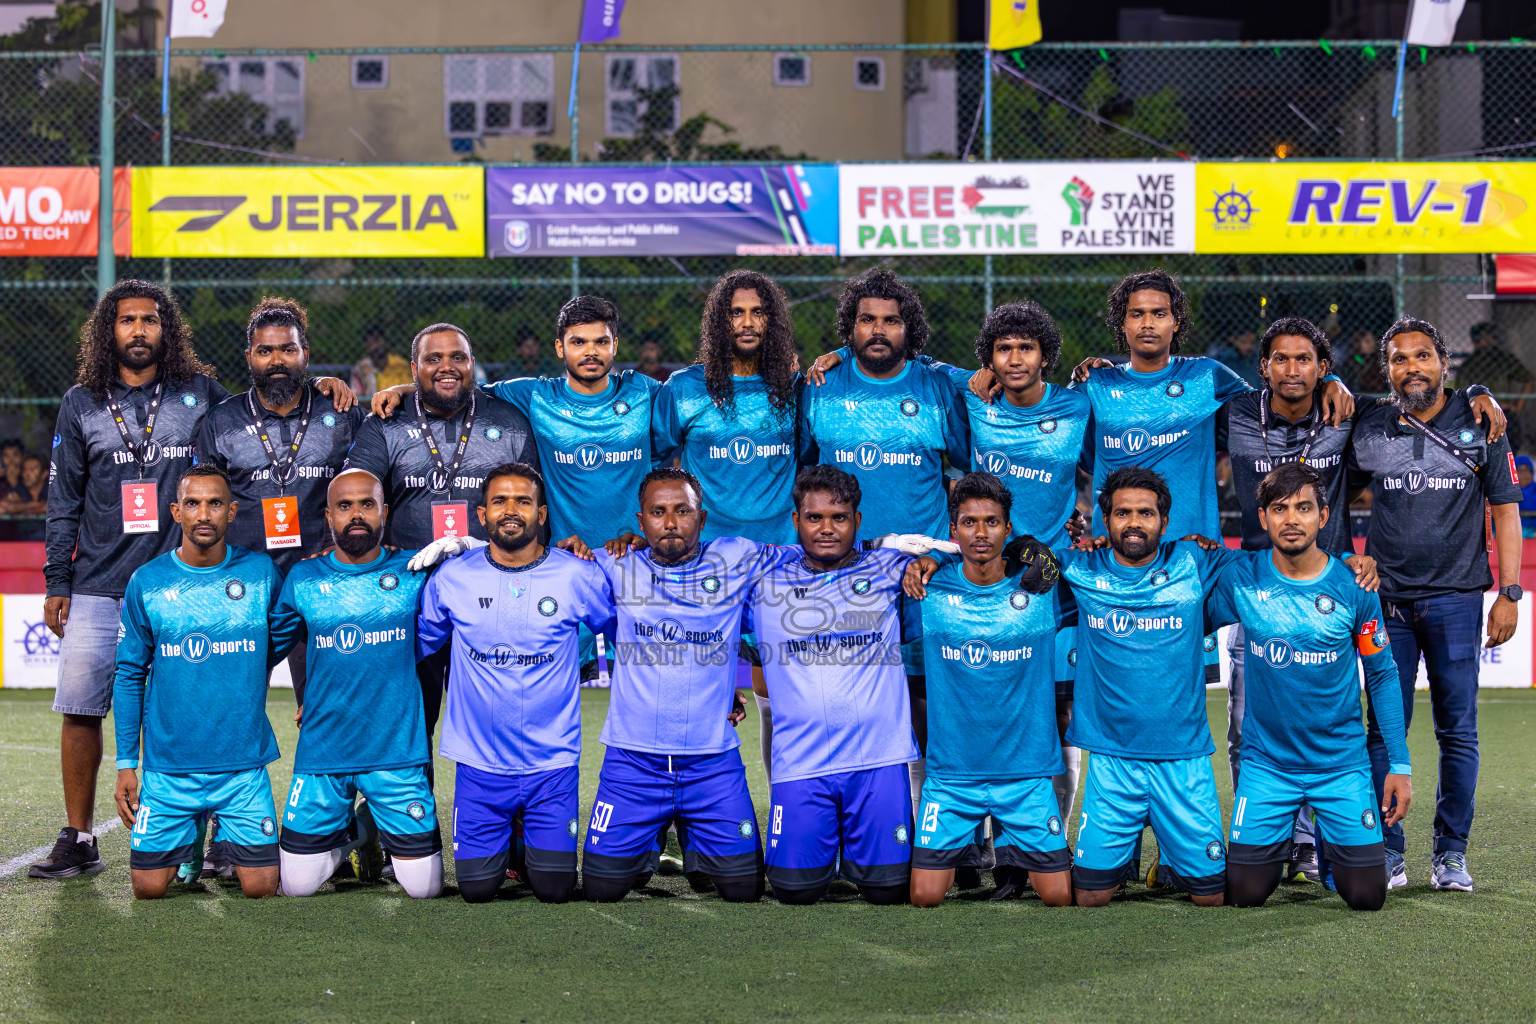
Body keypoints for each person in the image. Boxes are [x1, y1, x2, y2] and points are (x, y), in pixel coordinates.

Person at [33, 280, 228, 880]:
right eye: (127, 321)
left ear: (166, 329)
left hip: (181, 586)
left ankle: (217, 835)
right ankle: (80, 836)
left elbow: (256, 430)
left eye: (149, 320)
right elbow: (63, 496)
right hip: (97, 583)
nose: (138, 330)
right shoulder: (81, 401)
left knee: (196, 707)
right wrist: (57, 579)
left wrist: (324, 388)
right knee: (81, 709)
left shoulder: (200, 396)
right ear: (108, 331)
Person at [373, 297, 654, 681]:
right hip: (567, 561)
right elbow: (456, 384)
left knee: (648, 686)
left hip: (633, 557)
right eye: (578, 342)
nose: (591, 352)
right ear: (560, 347)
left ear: (615, 346)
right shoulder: (532, 395)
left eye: (601, 342)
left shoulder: (645, 393)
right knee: (556, 694)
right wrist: (408, 388)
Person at [1347, 316, 1524, 893]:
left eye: (1423, 356)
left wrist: (1511, 592)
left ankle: (1451, 854)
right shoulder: (1371, 421)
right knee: (1383, 731)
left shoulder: (1481, 421)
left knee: (1459, 731)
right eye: (1399, 359)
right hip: (1386, 603)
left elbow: (1505, 510)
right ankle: (1389, 852)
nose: (1412, 367)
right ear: (1388, 370)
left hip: (1456, 599)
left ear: (1444, 364)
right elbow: (1327, 492)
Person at [798, 267, 970, 825]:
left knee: (928, 704)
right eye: (866, 320)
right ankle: (850, 825)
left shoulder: (938, 386)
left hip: (925, 572)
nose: (878, 330)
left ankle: (938, 828)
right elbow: (800, 476)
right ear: (848, 327)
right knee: (843, 705)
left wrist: (946, 552)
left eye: (891, 321)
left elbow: (968, 481)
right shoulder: (820, 386)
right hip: (841, 573)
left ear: (908, 327)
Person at [580, 468, 796, 903]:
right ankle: (645, 846)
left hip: (710, 761)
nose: (671, 522)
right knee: (602, 891)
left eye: (683, 511)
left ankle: (698, 847)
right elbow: (539, 566)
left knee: (745, 891)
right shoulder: (614, 564)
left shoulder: (736, 558)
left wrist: (893, 549)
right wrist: (569, 550)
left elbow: (816, 551)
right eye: (658, 513)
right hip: (633, 760)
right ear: (640, 523)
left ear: (703, 518)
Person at [1209, 462, 1409, 911]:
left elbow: (1381, 673)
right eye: (1279, 509)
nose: (1291, 519)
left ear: (1323, 516)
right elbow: (1187, 614)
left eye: (1303, 507)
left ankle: (1333, 848)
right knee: (1245, 894)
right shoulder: (1243, 577)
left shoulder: (1356, 583)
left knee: (1366, 896)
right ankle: (1276, 845)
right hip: (1268, 766)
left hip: (1340, 766)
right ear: (1263, 519)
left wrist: (1399, 763)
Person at [417, 464, 614, 903]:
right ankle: (505, 836)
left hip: (552, 764)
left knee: (555, 890)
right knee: (476, 891)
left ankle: (525, 841)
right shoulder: (452, 577)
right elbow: (418, 648)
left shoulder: (577, 574)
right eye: (500, 501)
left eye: (523, 501)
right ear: (481, 515)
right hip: (479, 764)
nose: (512, 510)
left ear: (542, 514)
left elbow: (624, 630)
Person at [344, 321, 538, 744]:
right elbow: (356, 494)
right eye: (433, 358)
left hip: (492, 592)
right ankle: (409, 808)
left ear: (473, 365)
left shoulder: (508, 421)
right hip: (409, 594)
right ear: (413, 368)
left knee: (498, 712)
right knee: (412, 716)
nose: (446, 367)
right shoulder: (385, 423)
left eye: (457, 358)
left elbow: (534, 510)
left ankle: (507, 807)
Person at [653, 270, 805, 785]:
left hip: (780, 561)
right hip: (705, 567)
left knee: (780, 695)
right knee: (696, 696)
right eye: (735, 312)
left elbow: (809, 459)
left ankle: (784, 809)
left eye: (758, 311)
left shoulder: (795, 388)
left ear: (774, 321)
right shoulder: (683, 389)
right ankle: (682, 824)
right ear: (718, 321)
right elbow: (654, 462)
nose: (746, 322)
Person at [744, 465, 918, 905]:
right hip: (803, 764)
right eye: (814, 517)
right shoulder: (763, 580)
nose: (827, 528)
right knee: (793, 891)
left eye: (839, 517)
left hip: (878, 760)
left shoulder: (891, 569)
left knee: (889, 891)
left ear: (858, 522)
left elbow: (969, 557)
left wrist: (934, 558)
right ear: (796, 521)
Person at [267, 469, 443, 900]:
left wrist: (469, 547)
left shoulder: (417, 569)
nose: (356, 514)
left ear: (385, 511)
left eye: (367, 504)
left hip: (396, 751)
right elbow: (266, 649)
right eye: (345, 506)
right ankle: (355, 833)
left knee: (424, 889)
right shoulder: (304, 578)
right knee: (296, 886)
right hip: (324, 750)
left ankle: (370, 824)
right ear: (329, 516)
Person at [110, 464, 283, 899]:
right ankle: (190, 836)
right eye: (192, 503)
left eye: (214, 503)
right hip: (170, 769)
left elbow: (285, 639)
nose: (203, 513)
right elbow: (130, 674)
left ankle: (213, 824)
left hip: (242, 766)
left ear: (232, 511)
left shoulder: (262, 574)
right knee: (148, 890)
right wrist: (126, 763)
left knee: (261, 888)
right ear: (175, 511)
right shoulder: (146, 582)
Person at [906, 473, 1071, 908]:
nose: (981, 533)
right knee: (924, 897)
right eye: (969, 522)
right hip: (953, 775)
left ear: (1008, 527)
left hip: (1025, 772)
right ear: (952, 530)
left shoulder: (1043, 585)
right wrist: (921, 563)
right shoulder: (927, 587)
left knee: (1057, 896)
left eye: (992, 522)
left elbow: (1102, 565)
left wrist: (1036, 547)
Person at [197, 297, 364, 700]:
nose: (277, 360)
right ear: (249, 356)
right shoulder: (221, 421)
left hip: (323, 581)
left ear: (305, 354)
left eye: (288, 349)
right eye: (265, 350)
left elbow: (367, 492)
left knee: (326, 708)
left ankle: (320, 767)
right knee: (232, 703)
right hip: (246, 584)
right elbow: (204, 506)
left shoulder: (341, 412)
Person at [1458, 321, 1531, 453]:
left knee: (1509, 452)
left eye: (1491, 337)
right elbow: (1460, 395)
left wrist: (1516, 406)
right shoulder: (1469, 366)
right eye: (1486, 338)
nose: (1490, 342)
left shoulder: (1504, 360)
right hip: (1480, 417)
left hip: (1504, 413)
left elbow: (1529, 380)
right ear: (1478, 341)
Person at [351, 324, 412, 398]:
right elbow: (357, 398)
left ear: (385, 342)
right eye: (370, 343)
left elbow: (409, 392)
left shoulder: (400, 364)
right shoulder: (360, 369)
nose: (375, 347)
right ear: (366, 346)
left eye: (377, 340)